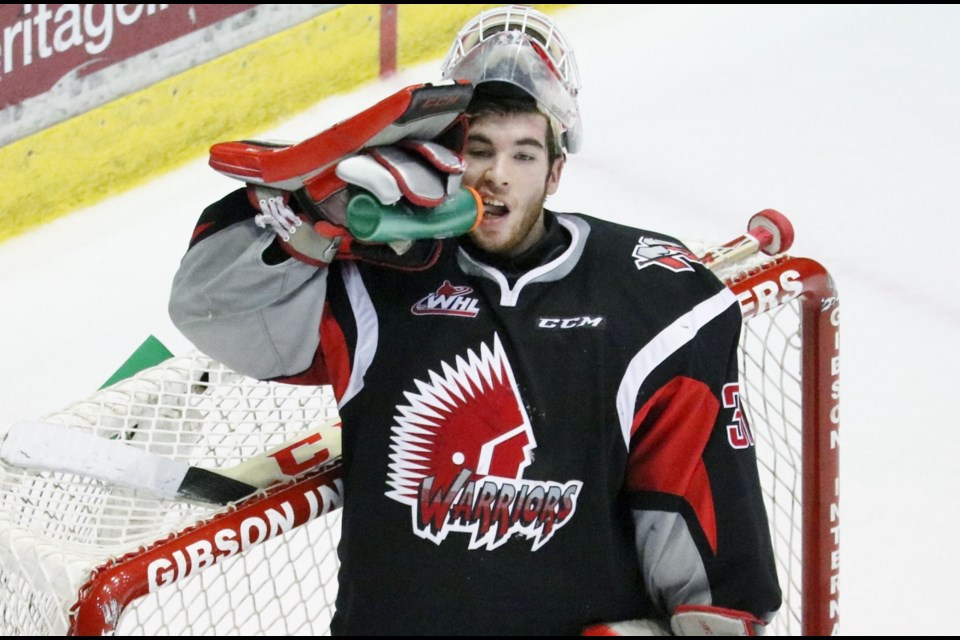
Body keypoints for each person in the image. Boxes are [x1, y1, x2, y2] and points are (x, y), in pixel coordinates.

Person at [169, 5, 782, 636]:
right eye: (479, 148)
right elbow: (211, 311)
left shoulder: (652, 299)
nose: (495, 175)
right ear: (443, 154)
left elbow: (712, 564)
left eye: (523, 154)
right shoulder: (377, 275)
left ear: (556, 171)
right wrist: (305, 218)